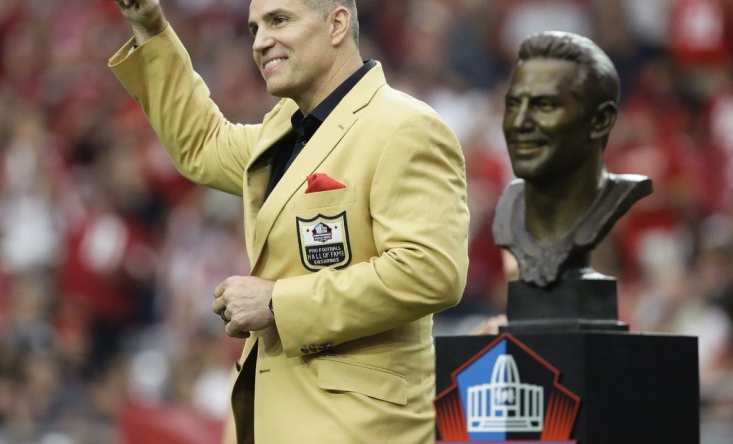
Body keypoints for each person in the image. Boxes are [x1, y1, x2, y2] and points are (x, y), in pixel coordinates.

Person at [108, 1, 470, 443]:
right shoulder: (285, 130)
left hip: (360, 429)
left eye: (279, 21)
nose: (260, 42)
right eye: (254, 28)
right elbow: (202, 144)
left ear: (337, 24)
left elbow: (431, 272)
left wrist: (279, 302)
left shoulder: (405, 127)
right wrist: (152, 27)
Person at [492, 31, 652, 288]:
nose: (520, 123)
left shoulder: (613, 201)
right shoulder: (509, 208)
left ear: (600, 121)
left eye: (544, 105)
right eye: (513, 105)